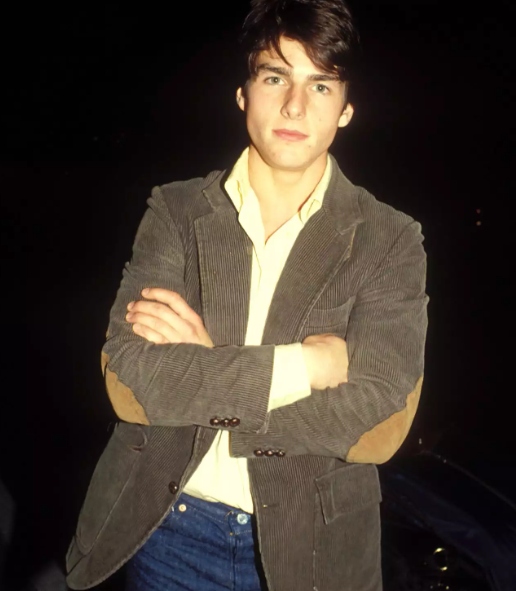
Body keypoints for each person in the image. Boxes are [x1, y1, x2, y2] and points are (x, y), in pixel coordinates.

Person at [66, 1, 428, 590]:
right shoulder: (178, 211)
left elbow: (381, 424)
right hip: (171, 535)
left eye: (321, 84)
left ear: (347, 109)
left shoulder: (390, 239)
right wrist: (306, 365)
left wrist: (205, 371)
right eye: (275, 76)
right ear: (243, 94)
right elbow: (131, 383)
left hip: (315, 551)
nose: (294, 105)